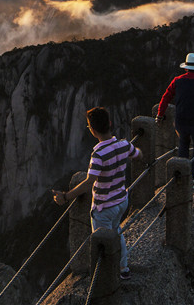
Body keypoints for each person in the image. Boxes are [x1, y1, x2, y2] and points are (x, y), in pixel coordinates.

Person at [52, 106, 141, 280]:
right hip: (122, 201)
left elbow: (88, 182)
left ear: (92, 130)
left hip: (104, 207)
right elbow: (137, 154)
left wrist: (65, 196)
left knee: (101, 243)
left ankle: (107, 277)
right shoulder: (124, 145)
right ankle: (123, 269)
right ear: (109, 123)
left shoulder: (98, 154)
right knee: (116, 232)